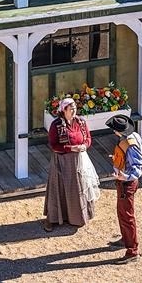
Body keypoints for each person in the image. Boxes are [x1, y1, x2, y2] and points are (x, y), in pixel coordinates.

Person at [43, 97, 94, 232]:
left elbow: (88, 137)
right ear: (64, 110)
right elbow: (54, 145)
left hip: (79, 160)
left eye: (75, 108)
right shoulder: (56, 125)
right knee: (58, 188)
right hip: (62, 161)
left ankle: (77, 217)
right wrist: (70, 148)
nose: (74, 111)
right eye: (71, 109)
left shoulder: (81, 122)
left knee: (78, 187)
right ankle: (53, 218)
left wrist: (84, 146)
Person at [107, 114, 142, 264]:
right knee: (122, 212)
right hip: (124, 182)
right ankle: (126, 238)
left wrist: (126, 176)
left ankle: (132, 251)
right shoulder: (133, 137)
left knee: (127, 215)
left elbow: (141, 165)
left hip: (126, 184)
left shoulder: (130, 144)